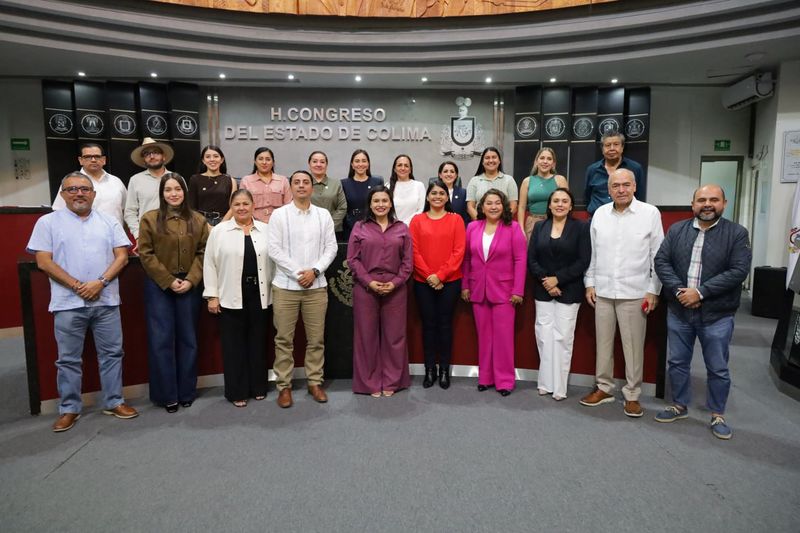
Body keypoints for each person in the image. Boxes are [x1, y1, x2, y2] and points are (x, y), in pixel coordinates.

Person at [27, 172, 138, 432]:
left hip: (106, 300)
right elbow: (43, 261)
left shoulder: (109, 221)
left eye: (85, 189)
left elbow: (121, 257)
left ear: (93, 194)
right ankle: (70, 408)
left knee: (112, 354)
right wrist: (78, 286)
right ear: (63, 194)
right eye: (72, 189)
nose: (79, 193)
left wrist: (99, 282)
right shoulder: (47, 222)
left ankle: (114, 401)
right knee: (68, 359)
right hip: (67, 302)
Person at [653, 184, 752, 440]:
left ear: (724, 203)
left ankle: (717, 413)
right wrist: (679, 292)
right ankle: (679, 405)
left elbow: (738, 271)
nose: (707, 204)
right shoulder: (677, 230)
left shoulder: (737, 233)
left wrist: (700, 292)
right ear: (693, 203)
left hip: (717, 314)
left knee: (717, 367)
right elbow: (661, 261)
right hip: (679, 310)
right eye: (701, 200)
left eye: (713, 200)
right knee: (677, 362)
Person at [581, 168, 663, 417]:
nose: (621, 189)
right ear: (608, 189)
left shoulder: (649, 213)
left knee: (633, 347)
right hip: (603, 291)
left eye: (626, 185)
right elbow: (593, 253)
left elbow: (658, 256)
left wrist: (654, 290)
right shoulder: (600, 215)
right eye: (615, 186)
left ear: (635, 186)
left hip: (635, 292)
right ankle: (604, 388)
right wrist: (590, 282)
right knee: (603, 345)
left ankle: (632, 395)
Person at [137, 173, 209, 413]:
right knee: (161, 341)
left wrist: (190, 280)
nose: (173, 194)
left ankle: (186, 392)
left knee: (188, 340)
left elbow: (204, 252)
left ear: (184, 192)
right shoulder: (149, 219)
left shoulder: (198, 220)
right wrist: (168, 280)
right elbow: (145, 254)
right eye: (168, 190)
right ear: (162, 193)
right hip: (159, 287)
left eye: (177, 189)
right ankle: (167, 394)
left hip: (189, 285)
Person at [267, 170, 338, 408]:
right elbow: (274, 250)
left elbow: (331, 248)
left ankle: (314, 382)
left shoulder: (323, 215)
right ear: (291, 187)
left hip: (316, 287)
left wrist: (315, 271)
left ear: (311, 187)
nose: (301, 186)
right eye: (296, 182)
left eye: (305, 182)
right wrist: (300, 273)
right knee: (284, 340)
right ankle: (284, 386)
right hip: (286, 287)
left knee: (316, 339)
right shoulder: (279, 215)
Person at [203, 189, 273, 407]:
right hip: (230, 295)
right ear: (231, 207)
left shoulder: (266, 230)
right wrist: (212, 296)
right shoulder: (219, 231)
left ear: (253, 206)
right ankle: (237, 391)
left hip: (260, 295)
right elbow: (209, 264)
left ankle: (259, 386)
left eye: (246, 204)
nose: (242, 208)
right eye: (237, 204)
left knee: (258, 343)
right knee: (233, 347)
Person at [347, 186, 413, 397]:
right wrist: (369, 281)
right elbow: (353, 260)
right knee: (366, 337)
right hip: (366, 288)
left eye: (385, 200)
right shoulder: (360, 227)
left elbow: (408, 262)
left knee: (395, 337)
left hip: (396, 288)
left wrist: (395, 282)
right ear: (370, 204)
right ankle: (370, 383)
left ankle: (393, 381)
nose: (381, 204)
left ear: (391, 203)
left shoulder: (402, 228)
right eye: (376, 201)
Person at [461, 189, 526, 396]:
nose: (493, 207)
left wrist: (518, 290)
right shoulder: (472, 227)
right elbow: (467, 259)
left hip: (505, 292)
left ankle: (505, 381)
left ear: (504, 205)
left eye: (497, 203)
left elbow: (520, 260)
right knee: (484, 337)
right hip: (478, 289)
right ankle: (485, 377)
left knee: (503, 338)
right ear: (482, 207)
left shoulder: (513, 228)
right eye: (489, 203)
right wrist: (465, 285)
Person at [527, 188, 590, 400]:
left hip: (569, 290)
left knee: (562, 338)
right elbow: (532, 258)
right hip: (543, 290)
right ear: (550, 205)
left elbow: (583, 260)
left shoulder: (580, 228)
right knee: (544, 337)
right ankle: (545, 383)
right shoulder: (539, 226)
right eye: (556, 201)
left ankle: (560, 387)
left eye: (564, 201)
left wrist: (558, 279)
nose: (560, 204)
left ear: (571, 206)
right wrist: (547, 281)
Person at [409, 179, 465, 389]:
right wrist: (429, 276)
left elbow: (459, 251)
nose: (437, 197)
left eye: (442, 193)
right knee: (428, 326)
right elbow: (413, 251)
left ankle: (444, 371)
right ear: (427, 196)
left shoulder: (456, 220)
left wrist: (440, 276)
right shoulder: (417, 220)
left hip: (449, 282)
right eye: (434, 193)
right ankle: (429, 370)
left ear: (447, 197)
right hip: (423, 282)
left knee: (445, 326)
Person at [51, 143, 127, 228]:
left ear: (104, 160)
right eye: (88, 157)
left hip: (115, 235)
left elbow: (126, 211)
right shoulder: (70, 182)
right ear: (80, 160)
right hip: (81, 236)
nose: (93, 160)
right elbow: (58, 212)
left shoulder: (116, 181)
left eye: (97, 156)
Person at [584, 132, 645, 216]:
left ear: (622, 147)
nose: (612, 148)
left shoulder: (635, 168)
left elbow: (639, 197)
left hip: (627, 217)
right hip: (597, 218)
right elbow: (587, 197)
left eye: (616, 144)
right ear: (602, 149)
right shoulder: (592, 170)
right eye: (608, 145)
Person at [124, 137, 174, 239]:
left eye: (156, 152)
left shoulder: (175, 178)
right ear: (144, 160)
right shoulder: (135, 180)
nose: (152, 156)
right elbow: (130, 212)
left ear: (163, 157)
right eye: (147, 154)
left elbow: (185, 208)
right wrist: (138, 235)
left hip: (174, 233)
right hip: (147, 235)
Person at [518, 147, 569, 239]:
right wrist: (521, 228)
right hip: (532, 223)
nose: (545, 161)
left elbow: (566, 204)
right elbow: (521, 207)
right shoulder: (527, 181)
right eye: (542, 158)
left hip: (554, 222)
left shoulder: (560, 180)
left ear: (553, 164)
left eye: (549, 159)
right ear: (536, 161)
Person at [187, 145, 236, 226]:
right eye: (208, 157)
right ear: (203, 160)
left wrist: (221, 225)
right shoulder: (195, 179)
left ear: (222, 159)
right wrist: (206, 226)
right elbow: (191, 208)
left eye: (216, 156)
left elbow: (233, 207)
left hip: (225, 222)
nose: (212, 159)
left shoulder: (230, 180)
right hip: (201, 223)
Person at [239, 147, 292, 224]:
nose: (264, 162)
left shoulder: (283, 180)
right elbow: (243, 206)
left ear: (273, 162)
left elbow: (288, 206)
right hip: (253, 224)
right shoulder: (246, 181)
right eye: (260, 159)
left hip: (279, 223)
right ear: (255, 162)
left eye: (268, 159)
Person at [341, 149, 383, 240]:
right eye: (357, 161)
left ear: (368, 164)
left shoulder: (377, 182)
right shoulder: (343, 183)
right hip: (349, 229)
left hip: (373, 228)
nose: (360, 164)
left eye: (364, 161)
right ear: (352, 165)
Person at [466, 147, 518, 220]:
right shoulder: (474, 180)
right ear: (482, 162)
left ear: (499, 161)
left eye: (494, 157)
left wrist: (502, 222)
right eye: (487, 158)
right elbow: (470, 207)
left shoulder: (509, 180)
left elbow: (513, 205)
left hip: (503, 225)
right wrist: (481, 223)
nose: (491, 160)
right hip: (480, 224)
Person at [308, 150, 347, 238]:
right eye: (314, 161)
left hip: (332, 231)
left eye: (322, 162)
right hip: (307, 230)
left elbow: (342, 208)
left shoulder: (336, 183)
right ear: (309, 164)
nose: (318, 164)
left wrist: (329, 226)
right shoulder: (304, 184)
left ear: (326, 165)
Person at [387, 154, 426, 225]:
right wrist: (397, 226)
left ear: (410, 169)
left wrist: (405, 224)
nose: (403, 168)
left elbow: (421, 209)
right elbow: (386, 211)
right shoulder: (387, 187)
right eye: (399, 165)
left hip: (414, 227)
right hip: (393, 228)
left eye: (406, 165)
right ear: (394, 169)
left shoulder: (419, 185)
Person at [437, 160, 469, 226]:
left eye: (452, 172)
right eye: (445, 171)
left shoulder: (463, 193)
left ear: (456, 175)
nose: (449, 174)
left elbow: (466, 219)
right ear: (440, 175)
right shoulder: (434, 193)